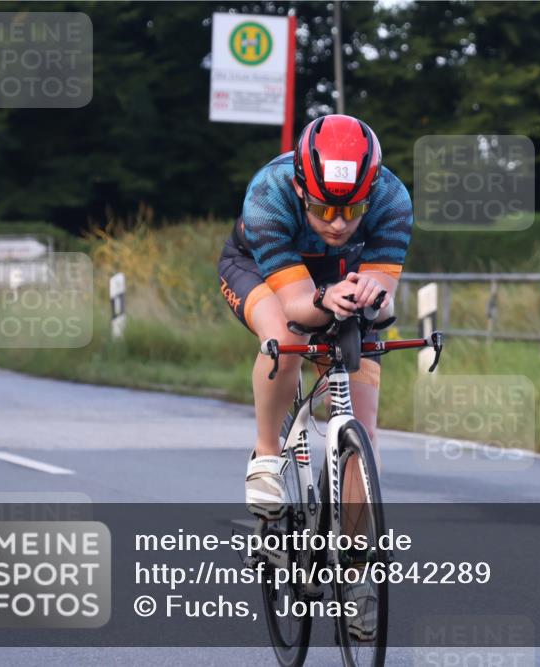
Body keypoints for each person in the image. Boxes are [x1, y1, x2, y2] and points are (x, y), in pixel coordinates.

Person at [216, 115, 412, 638]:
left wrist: (372, 299)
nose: (339, 223)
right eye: (324, 209)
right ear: (301, 188)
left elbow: (382, 293)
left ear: (371, 193)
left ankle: (356, 574)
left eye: (353, 210)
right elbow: (300, 305)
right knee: (286, 338)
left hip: (340, 275)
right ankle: (266, 455)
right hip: (261, 272)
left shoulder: (392, 198)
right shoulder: (269, 193)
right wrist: (326, 299)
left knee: (363, 430)